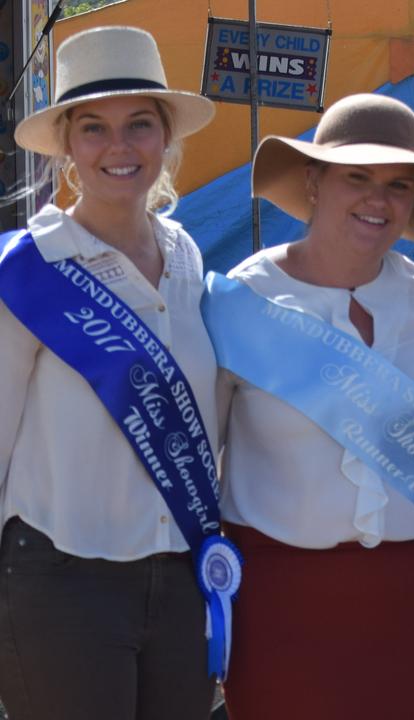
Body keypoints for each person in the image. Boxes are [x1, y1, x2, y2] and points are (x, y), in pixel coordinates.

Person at [202, 93, 414, 719]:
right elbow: (198, 458)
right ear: (312, 181)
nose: (377, 200)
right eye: (356, 177)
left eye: (398, 184)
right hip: (284, 608)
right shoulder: (241, 301)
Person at [0, 26, 227, 719]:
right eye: (93, 127)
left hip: (184, 581)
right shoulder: (25, 272)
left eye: (139, 125)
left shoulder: (187, 255)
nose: (118, 147)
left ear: (165, 139)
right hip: (64, 582)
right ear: (67, 144)